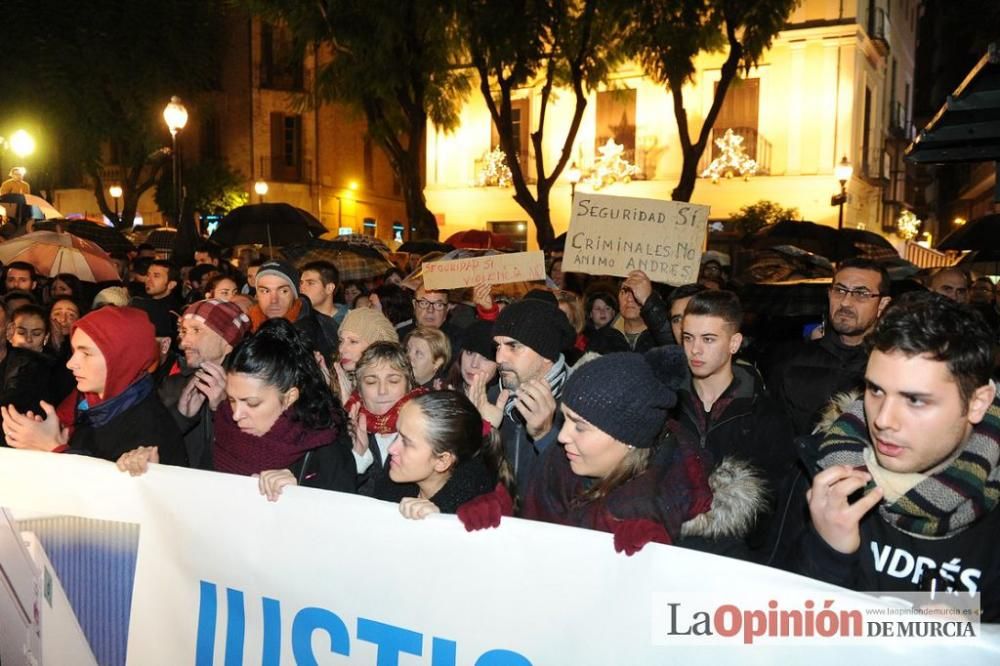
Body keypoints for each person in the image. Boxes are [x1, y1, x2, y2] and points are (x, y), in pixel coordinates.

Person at [790, 291, 1000, 620]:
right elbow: (789, 631)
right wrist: (829, 554)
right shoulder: (827, 476)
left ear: (977, 403)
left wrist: (975, 643)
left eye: (915, 400)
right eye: (875, 390)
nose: (883, 420)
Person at [459, 347, 766, 556]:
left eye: (580, 426)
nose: (562, 435)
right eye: (565, 420)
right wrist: (502, 523)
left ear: (628, 438)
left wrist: (658, 569)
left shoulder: (699, 530)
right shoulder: (559, 471)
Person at [672, 289, 795, 555]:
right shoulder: (664, 405)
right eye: (688, 338)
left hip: (737, 559)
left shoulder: (766, 415)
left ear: (734, 343)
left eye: (709, 339)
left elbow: (775, 505)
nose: (695, 349)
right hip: (668, 548)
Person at [2, 306, 187, 464]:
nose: (71, 363)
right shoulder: (97, 409)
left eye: (86, 354)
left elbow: (109, 499)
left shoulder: (150, 431)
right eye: (74, 351)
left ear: (121, 360)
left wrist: (54, 448)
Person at [766, 258, 892, 436]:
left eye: (861, 294)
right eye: (839, 290)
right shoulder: (790, 359)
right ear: (829, 294)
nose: (846, 302)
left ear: (883, 304)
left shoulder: (892, 368)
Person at [475, 296, 576, 493]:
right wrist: (482, 434)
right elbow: (475, 482)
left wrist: (546, 437)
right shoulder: (493, 397)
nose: (499, 358)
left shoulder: (579, 405)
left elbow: (583, 492)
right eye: (498, 346)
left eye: (513, 346)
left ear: (546, 353)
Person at [374, 391, 505, 519]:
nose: (391, 449)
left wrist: (443, 518)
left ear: (442, 461)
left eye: (406, 442)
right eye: (398, 435)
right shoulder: (391, 482)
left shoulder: (474, 517)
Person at [158, 299, 251, 470]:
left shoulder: (251, 393)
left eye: (196, 330)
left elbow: (256, 453)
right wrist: (181, 417)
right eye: (184, 331)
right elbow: (155, 446)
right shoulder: (173, 386)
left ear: (227, 341)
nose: (183, 342)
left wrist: (224, 412)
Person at [343, 342, 425, 496]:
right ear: (359, 389)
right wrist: (358, 458)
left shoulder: (427, 428)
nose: (382, 391)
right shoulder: (343, 429)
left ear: (409, 385)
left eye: (393, 381)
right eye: (371, 382)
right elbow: (334, 494)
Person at [248, 260, 334, 361]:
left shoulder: (322, 327)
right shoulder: (245, 328)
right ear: (256, 295)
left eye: (283, 291)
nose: (274, 300)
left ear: (295, 294)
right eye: (265, 291)